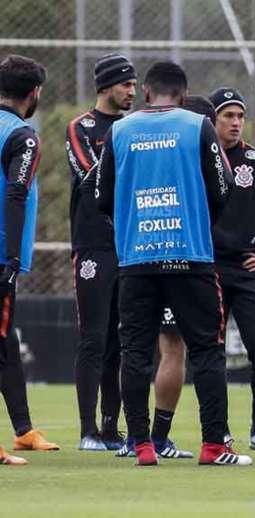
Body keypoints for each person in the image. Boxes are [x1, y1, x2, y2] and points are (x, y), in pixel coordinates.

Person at [95, 61, 251, 466]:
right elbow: (223, 186)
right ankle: (214, 445)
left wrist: (132, 225)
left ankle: (142, 446)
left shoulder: (119, 130)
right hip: (190, 255)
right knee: (206, 350)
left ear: (146, 92)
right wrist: (199, 219)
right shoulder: (196, 125)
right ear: (183, 95)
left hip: (136, 258)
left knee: (135, 353)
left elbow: (101, 196)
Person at [207, 86, 255, 452]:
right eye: (228, 116)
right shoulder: (198, 158)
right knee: (211, 353)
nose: (236, 123)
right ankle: (218, 432)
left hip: (247, 267)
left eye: (240, 116)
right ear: (213, 121)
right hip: (209, 269)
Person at [67, 53, 136, 451]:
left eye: (133, 84)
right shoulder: (81, 127)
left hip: (128, 245)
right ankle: (86, 430)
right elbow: (91, 176)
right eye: (125, 84)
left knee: (119, 340)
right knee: (93, 337)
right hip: (93, 244)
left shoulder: (131, 128)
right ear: (107, 86)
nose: (131, 91)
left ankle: (112, 428)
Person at [0, 55, 53, 465]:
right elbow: (16, 195)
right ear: (33, 93)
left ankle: (23, 430)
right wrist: (12, 258)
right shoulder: (23, 136)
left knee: (8, 343)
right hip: (1, 256)